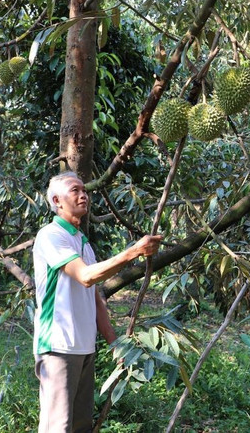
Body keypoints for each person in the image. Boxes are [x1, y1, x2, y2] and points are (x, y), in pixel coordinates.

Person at [32, 171, 161, 433]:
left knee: (81, 425)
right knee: (58, 426)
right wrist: (133, 252)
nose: (83, 195)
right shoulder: (51, 235)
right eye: (75, 190)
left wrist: (114, 343)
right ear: (57, 201)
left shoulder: (83, 243)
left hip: (84, 346)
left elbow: (93, 297)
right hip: (58, 346)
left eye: (84, 190)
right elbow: (86, 276)